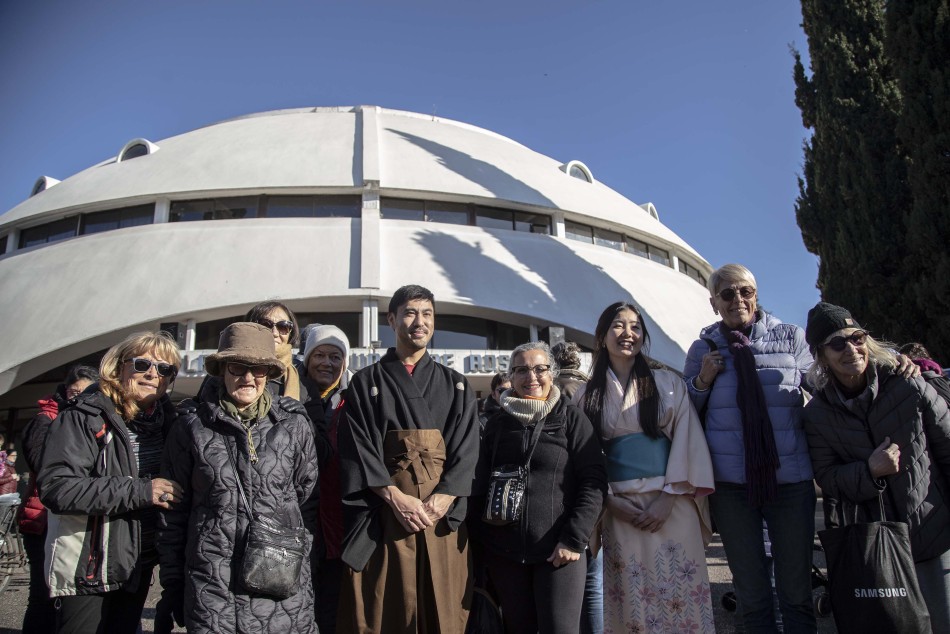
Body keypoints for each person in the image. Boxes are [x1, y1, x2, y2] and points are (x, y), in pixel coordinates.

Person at [156, 322, 318, 634]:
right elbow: (172, 514)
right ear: (222, 371)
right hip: (213, 587)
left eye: (258, 370)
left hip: (280, 583)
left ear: (269, 374)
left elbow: (308, 505)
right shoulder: (190, 427)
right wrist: (173, 582)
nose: (247, 378)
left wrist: (303, 568)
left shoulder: (294, 426)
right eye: (237, 367)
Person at [683, 263, 818, 633]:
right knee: (752, 594)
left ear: (756, 296)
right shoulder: (702, 349)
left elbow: (823, 383)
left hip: (789, 481)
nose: (737, 299)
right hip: (732, 488)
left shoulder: (791, 337)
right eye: (727, 294)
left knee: (796, 592)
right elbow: (683, 417)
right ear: (714, 303)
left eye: (745, 291)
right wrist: (701, 381)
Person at [337, 284, 479, 633]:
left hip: (439, 517)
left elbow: (467, 449)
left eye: (427, 314)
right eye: (411, 312)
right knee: (385, 612)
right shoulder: (365, 382)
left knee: (442, 609)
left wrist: (443, 499)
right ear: (392, 319)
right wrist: (394, 496)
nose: (420, 321)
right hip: (386, 514)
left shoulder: (457, 385)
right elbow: (357, 448)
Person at [802, 302, 950, 632]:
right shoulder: (817, 415)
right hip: (878, 545)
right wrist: (869, 472)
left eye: (857, 338)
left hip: (933, 532)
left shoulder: (908, 384)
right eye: (837, 344)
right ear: (821, 355)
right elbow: (827, 476)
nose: (851, 349)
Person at [578, 302, 715, 632]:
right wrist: (608, 500)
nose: (628, 333)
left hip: (672, 502)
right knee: (631, 598)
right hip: (618, 507)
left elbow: (688, 441)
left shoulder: (669, 383)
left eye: (636, 327)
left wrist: (669, 496)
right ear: (601, 336)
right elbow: (582, 456)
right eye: (618, 326)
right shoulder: (584, 395)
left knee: (679, 592)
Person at [38, 332, 182, 634]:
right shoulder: (83, 417)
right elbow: (57, 487)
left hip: (137, 563)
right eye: (142, 364)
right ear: (118, 367)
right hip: (90, 566)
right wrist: (142, 490)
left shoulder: (167, 421)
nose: (153, 373)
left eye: (164, 368)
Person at [471, 340, 606, 634]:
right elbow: (479, 485)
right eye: (521, 370)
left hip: (559, 553)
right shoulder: (496, 424)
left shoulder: (570, 417)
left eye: (539, 369)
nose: (531, 377)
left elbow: (593, 481)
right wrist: (484, 545)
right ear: (511, 376)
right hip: (505, 556)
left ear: (552, 373)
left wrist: (574, 539)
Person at [19, 365, 99, 634]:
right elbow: (48, 470)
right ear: (65, 391)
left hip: (68, 520)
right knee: (43, 594)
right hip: (41, 519)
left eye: (86, 391)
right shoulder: (47, 419)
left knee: (63, 595)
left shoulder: (87, 418)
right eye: (74, 391)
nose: (78, 397)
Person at [300, 324, 351, 634]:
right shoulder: (289, 396)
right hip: (295, 524)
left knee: (331, 612)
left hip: (336, 526)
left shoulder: (350, 403)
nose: (327, 363)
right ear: (306, 358)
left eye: (336, 357)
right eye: (319, 354)